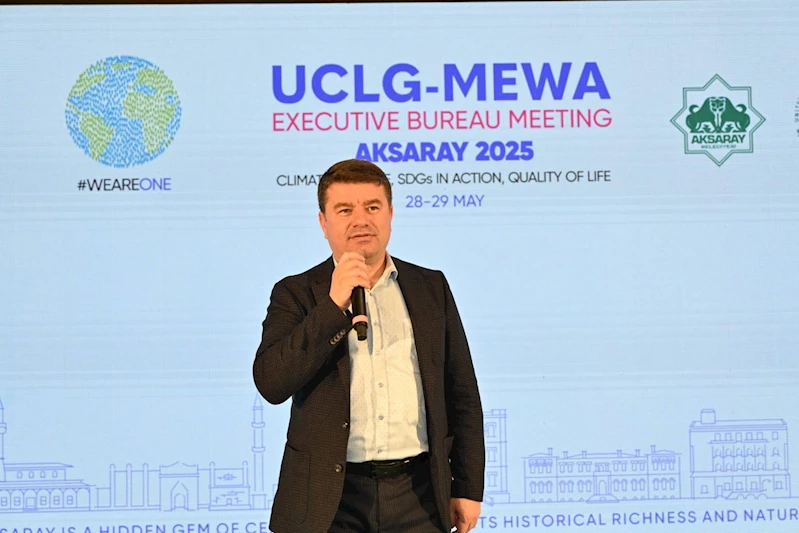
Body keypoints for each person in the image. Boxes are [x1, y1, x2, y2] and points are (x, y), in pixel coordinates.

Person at [253, 159, 484, 533]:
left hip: (419, 495)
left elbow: (463, 394)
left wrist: (468, 488)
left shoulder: (430, 287)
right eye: (345, 210)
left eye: (372, 207)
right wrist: (333, 306)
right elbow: (271, 382)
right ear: (323, 222)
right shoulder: (295, 293)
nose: (360, 220)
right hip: (328, 499)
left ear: (390, 214)